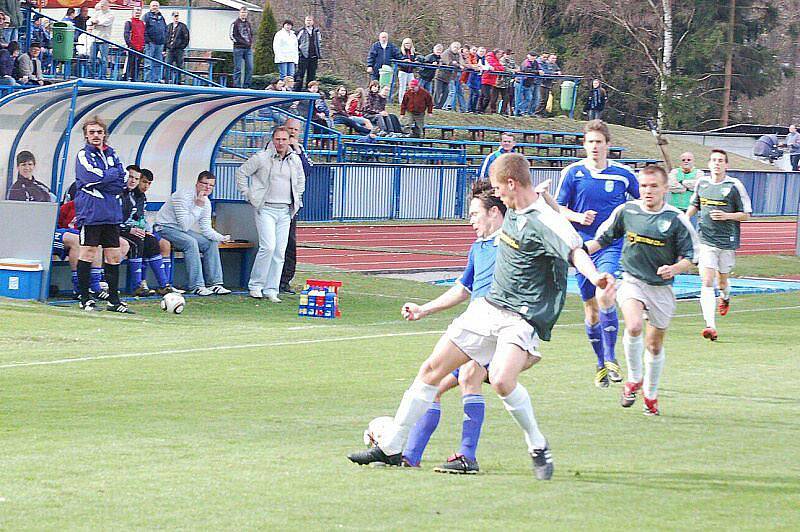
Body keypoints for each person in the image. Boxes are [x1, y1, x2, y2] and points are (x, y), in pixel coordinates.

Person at [347, 152, 614, 480]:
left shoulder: (546, 220)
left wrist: (598, 278)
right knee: (431, 369)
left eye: (500, 189)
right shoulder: (513, 211)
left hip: (523, 315)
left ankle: (537, 443)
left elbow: (575, 251)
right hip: (489, 307)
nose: (498, 197)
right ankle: (392, 447)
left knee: (501, 380)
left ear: (512, 184)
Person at [400, 180, 507, 473]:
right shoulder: (479, 247)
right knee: (431, 385)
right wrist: (424, 309)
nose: (471, 221)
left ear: (495, 213)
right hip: (474, 330)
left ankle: (467, 455)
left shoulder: (512, 243)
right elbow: (462, 289)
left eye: (475, 214)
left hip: (499, 331)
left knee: (469, 376)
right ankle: (410, 455)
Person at [586, 165, 698, 416]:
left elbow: (692, 255)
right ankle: (633, 380)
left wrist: (675, 268)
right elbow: (602, 238)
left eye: (654, 186)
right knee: (634, 325)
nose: (648, 191)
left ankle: (651, 393)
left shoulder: (675, 219)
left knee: (654, 345)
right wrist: (578, 253)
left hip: (661, 289)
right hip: (632, 280)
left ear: (665, 189)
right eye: (644, 186)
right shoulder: (627, 211)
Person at [555, 120, 640, 388]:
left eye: (599, 142)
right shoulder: (573, 173)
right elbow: (558, 208)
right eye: (590, 142)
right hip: (580, 248)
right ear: (584, 144)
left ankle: (612, 357)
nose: (594, 147)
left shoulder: (623, 175)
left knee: (606, 291)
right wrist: (578, 216)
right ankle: (601, 362)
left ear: (608, 145)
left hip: (610, 245)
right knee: (591, 310)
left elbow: (640, 203)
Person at [685, 149, 752, 341]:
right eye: (714, 160)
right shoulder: (702, 182)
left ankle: (725, 296)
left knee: (722, 281)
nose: (717, 163)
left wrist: (727, 216)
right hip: (705, 239)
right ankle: (710, 325)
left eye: (721, 161)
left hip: (727, 240)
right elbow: (695, 205)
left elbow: (746, 214)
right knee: (707, 280)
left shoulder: (734, 185)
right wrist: (684, 218)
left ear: (726, 165)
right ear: (708, 163)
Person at [235, 127, 305, 302]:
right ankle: (256, 285)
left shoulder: (295, 159)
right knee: (268, 247)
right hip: (266, 208)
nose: (280, 143)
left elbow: (300, 180)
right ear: (273, 140)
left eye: (283, 139)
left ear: (289, 140)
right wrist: (249, 195)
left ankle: (272, 288)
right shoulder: (262, 157)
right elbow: (242, 172)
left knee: (280, 251)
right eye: (277, 139)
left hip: (285, 210)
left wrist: (297, 197)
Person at [74, 116, 130, 313]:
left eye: (99, 132)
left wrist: (106, 179)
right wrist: (109, 177)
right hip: (91, 211)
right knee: (88, 253)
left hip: (111, 212)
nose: (96, 136)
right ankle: (84, 298)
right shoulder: (83, 155)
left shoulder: (112, 154)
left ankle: (114, 300)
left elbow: (121, 179)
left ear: (104, 134)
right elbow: (89, 177)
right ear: (86, 136)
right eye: (92, 132)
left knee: (114, 255)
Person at [155, 171, 232, 296]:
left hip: (181, 230)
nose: (208, 187)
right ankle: (197, 286)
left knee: (210, 242)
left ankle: (215, 283)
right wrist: (198, 206)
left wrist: (221, 237)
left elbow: (206, 229)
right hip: (164, 227)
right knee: (191, 242)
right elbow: (184, 224)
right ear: (197, 183)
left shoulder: (205, 201)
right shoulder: (183, 195)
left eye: (211, 185)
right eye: (205, 183)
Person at [279, 118, 312, 294]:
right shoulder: (274, 147)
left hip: (291, 205)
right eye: (289, 129)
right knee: (273, 244)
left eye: (296, 130)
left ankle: (285, 280)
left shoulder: (300, 150)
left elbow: (307, 170)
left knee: (290, 243)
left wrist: (297, 151)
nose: (292, 133)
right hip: (274, 203)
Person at [137, 169, 180, 294]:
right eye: (144, 182)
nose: (146, 186)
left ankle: (166, 284)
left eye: (149, 183)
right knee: (148, 242)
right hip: (130, 231)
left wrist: (147, 229)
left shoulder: (142, 197)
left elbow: (142, 218)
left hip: (144, 230)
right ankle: (142, 282)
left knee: (165, 244)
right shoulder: (129, 194)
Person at [294, 15, 320, 91]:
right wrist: (300, 51)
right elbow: (296, 42)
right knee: (300, 74)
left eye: (310, 20)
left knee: (311, 75)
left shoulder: (316, 31)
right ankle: (297, 90)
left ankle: (308, 90)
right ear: (305, 22)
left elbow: (319, 42)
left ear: (313, 22)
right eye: (307, 20)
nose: (308, 22)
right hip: (303, 56)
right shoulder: (301, 31)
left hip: (314, 56)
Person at [143, 1, 167, 83]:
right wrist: (148, 41)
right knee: (148, 63)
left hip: (160, 44)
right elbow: (144, 30)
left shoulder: (161, 17)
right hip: (150, 43)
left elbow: (165, 29)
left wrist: (164, 42)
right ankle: (147, 80)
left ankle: (156, 80)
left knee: (158, 63)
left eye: (156, 6)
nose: (155, 7)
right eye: (153, 5)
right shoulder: (146, 16)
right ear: (150, 7)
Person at [89, 0, 114, 79]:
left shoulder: (110, 15)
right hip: (94, 39)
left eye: (103, 5)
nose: (101, 7)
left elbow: (106, 22)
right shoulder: (97, 13)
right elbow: (88, 21)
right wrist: (93, 22)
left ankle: (102, 76)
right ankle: (91, 75)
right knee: (91, 59)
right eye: (101, 5)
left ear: (107, 6)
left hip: (104, 40)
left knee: (103, 59)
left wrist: (96, 22)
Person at [230, 7, 253, 88]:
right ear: (239, 13)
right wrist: (240, 42)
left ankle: (247, 85)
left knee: (250, 67)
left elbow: (251, 34)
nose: (244, 14)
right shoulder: (235, 23)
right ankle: (237, 85)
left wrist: (250, 42)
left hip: (248, 48)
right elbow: (231, 36)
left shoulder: (248, 24)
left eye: (245, 13)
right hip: (238, 48)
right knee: (238, 68)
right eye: (242, 12)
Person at [165, 11, 189, 84]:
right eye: (175, 16)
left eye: (177, 16)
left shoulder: (183, 26)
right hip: (170, 49)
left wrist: (182, 47)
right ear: (172, 17)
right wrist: (166, 46)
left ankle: (178, 82)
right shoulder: (169, 26)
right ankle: (167, 81)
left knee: (179, 66)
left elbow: (186, 38)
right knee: (167, 65)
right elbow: (166, 37)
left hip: (179, 50)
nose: (176, 18)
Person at [123, 6, 145, 82]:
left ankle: (134, 78)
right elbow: (126, 34)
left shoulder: (142, 23)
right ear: (133, 12)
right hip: (132, 47)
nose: (137, 13)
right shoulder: (129, 22)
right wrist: (130, 45)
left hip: (140, 47)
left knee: (137, 64)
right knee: (130, 63)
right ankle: (126, 77)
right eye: (136, 11)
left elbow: (143, 34)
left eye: (139, 11)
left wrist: (143, 45)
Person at [396, 37, 419, 105]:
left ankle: (411, 101)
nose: (407, 45)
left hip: (410, 72)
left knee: (412, 86)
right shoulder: (400, 52)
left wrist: (416, 61)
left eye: (409, 43)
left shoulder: (413, 53)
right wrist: (405, 60)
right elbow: (399, 59)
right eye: (406, 43)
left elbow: (415, 60)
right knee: (402, 87)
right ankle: (401, 101)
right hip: (403, 71)